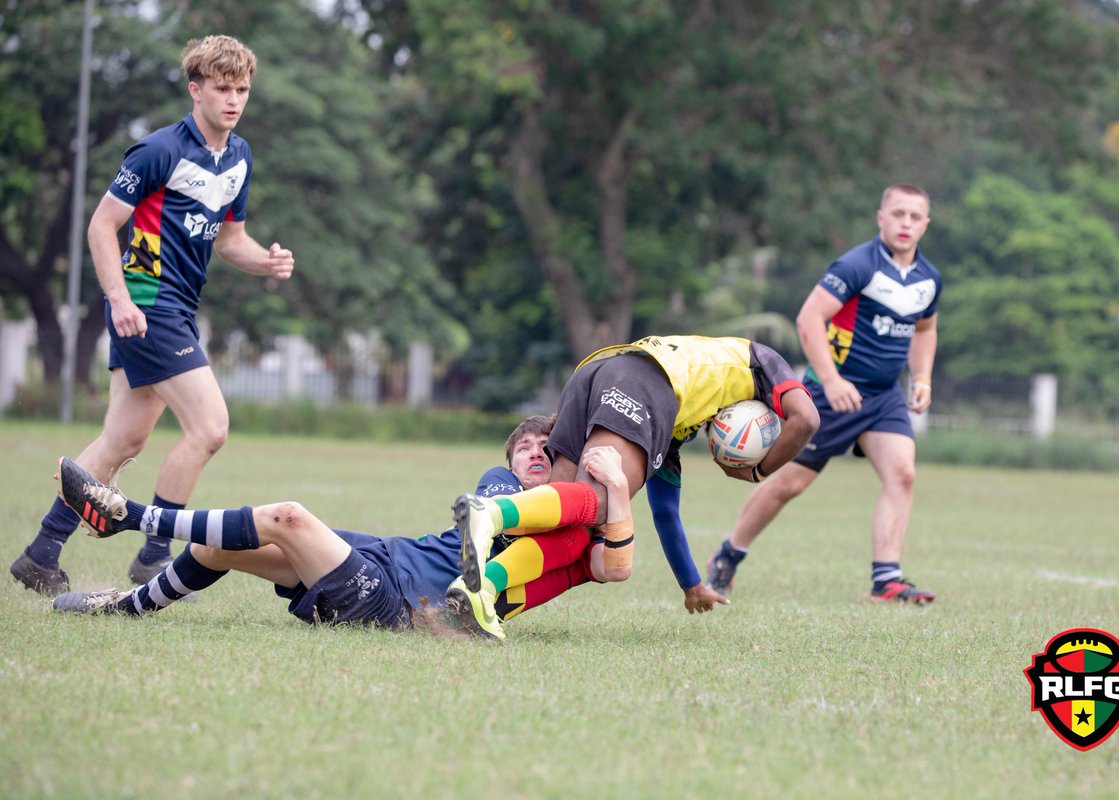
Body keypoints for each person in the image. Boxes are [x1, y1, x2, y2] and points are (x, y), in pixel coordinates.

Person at [10, 35, 294, 595]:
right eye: (222, 88)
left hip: (177, 308)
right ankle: (155, 555)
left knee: (122, 440)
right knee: (209, 428)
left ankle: (41, 552)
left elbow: (230, 240)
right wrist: (119, 299)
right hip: (147, 302)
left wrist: (266, 261)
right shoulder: (158, 150)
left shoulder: (239, 156)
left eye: (242, 90)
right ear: (195, 90)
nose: (233, 100)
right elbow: (101, 226)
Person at [50, 417, 624, 641]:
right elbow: (510, 515)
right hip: (382, 558)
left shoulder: (570, 539)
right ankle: (124, 608)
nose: (535, 454)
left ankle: (130, 517)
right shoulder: (500, 484)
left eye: (547, 448)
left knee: (288, 516)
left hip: (399, 600)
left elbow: (610, 566)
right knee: (215, 547)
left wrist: (616, 491)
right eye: (525, 448)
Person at [444, 334, 822, 639]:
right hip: (643, 381)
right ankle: (489, 514)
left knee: (569, 530)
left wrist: (691, 585)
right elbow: (806, 420)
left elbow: (666, 513)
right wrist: (758, 472)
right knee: (599, 501)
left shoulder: (683, 419)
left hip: (596, 372)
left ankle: (483, 593)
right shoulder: (761, 359)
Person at [706, 184, 942, 604]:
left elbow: (925, 329)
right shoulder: (857, 265)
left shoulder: (929, 279)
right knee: (789, 484)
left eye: (914, 216)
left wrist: (921, 378)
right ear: (881, 218)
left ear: (925, 223)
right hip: (831, 393)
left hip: (883, 396)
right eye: (898, 214)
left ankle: (886, 580)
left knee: (902, 474)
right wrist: (832, 381)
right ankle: (728, 555)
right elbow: (809, 318)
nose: (906, 223)